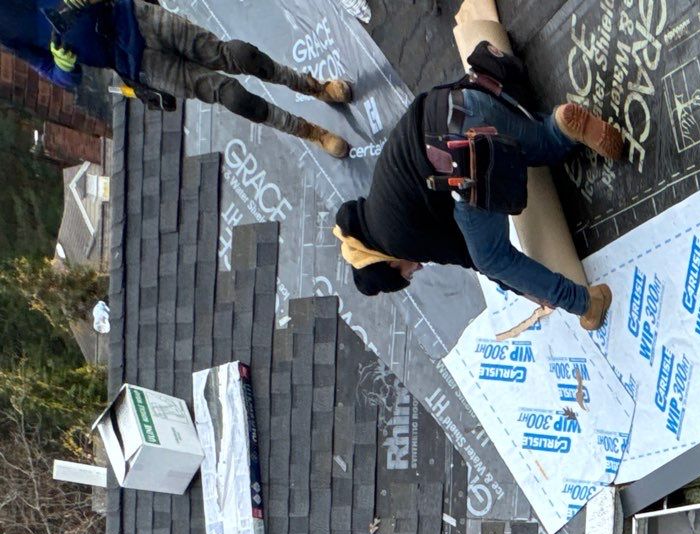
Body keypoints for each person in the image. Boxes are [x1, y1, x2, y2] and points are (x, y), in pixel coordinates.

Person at [333, 78, 623, 331]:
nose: (417, 268)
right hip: (463, 101)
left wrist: (525, 289)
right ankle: (562, 127)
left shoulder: (395, 240)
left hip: (464, 155)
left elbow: (471, 257)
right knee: (539, 144)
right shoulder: (381, 196)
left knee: (492, 258)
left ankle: (587, 304)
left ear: (391, 262)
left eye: (408, 273)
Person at [0, 0, 354, 156]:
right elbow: (56, 76)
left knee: (238, 56)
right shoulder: (6, 34)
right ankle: (312, 132)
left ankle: (314, 86)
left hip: (135, 17)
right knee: (231, 96)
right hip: (135, 64)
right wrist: (63, 66)